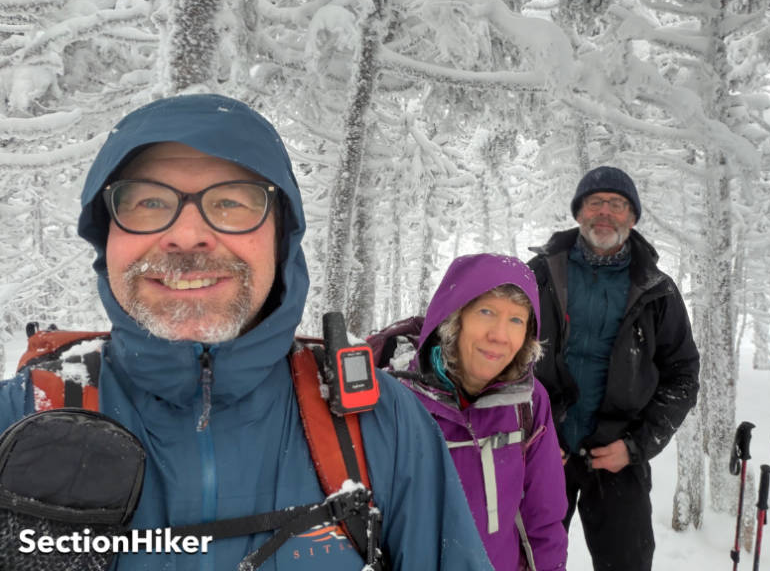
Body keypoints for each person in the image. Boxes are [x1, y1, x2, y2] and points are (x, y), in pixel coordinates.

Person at [0, 94, 492, 571]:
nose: (187, 235)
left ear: (282, 237)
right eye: (148, 201)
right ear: (105, 234)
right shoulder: (16, 421)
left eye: (232, 203)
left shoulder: (383, 424)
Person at [527, 165, 700, 571]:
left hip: (619, 453)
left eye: (617, 204)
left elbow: (683, 376)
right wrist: (531, 433)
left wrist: (636, 446)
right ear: (579, 213)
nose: (605, 212)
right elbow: (504, 361)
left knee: (628, 563)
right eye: (595, 202)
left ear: (633, 217)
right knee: (526, 560)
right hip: (543, 449)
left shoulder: (658, 289)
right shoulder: (538, 276)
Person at [389, 253, 567, 571]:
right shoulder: (398, 400)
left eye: (516, 320)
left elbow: (545, 520)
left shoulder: (528, 402)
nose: (499, 335)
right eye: (487, 312)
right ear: (455, 317)